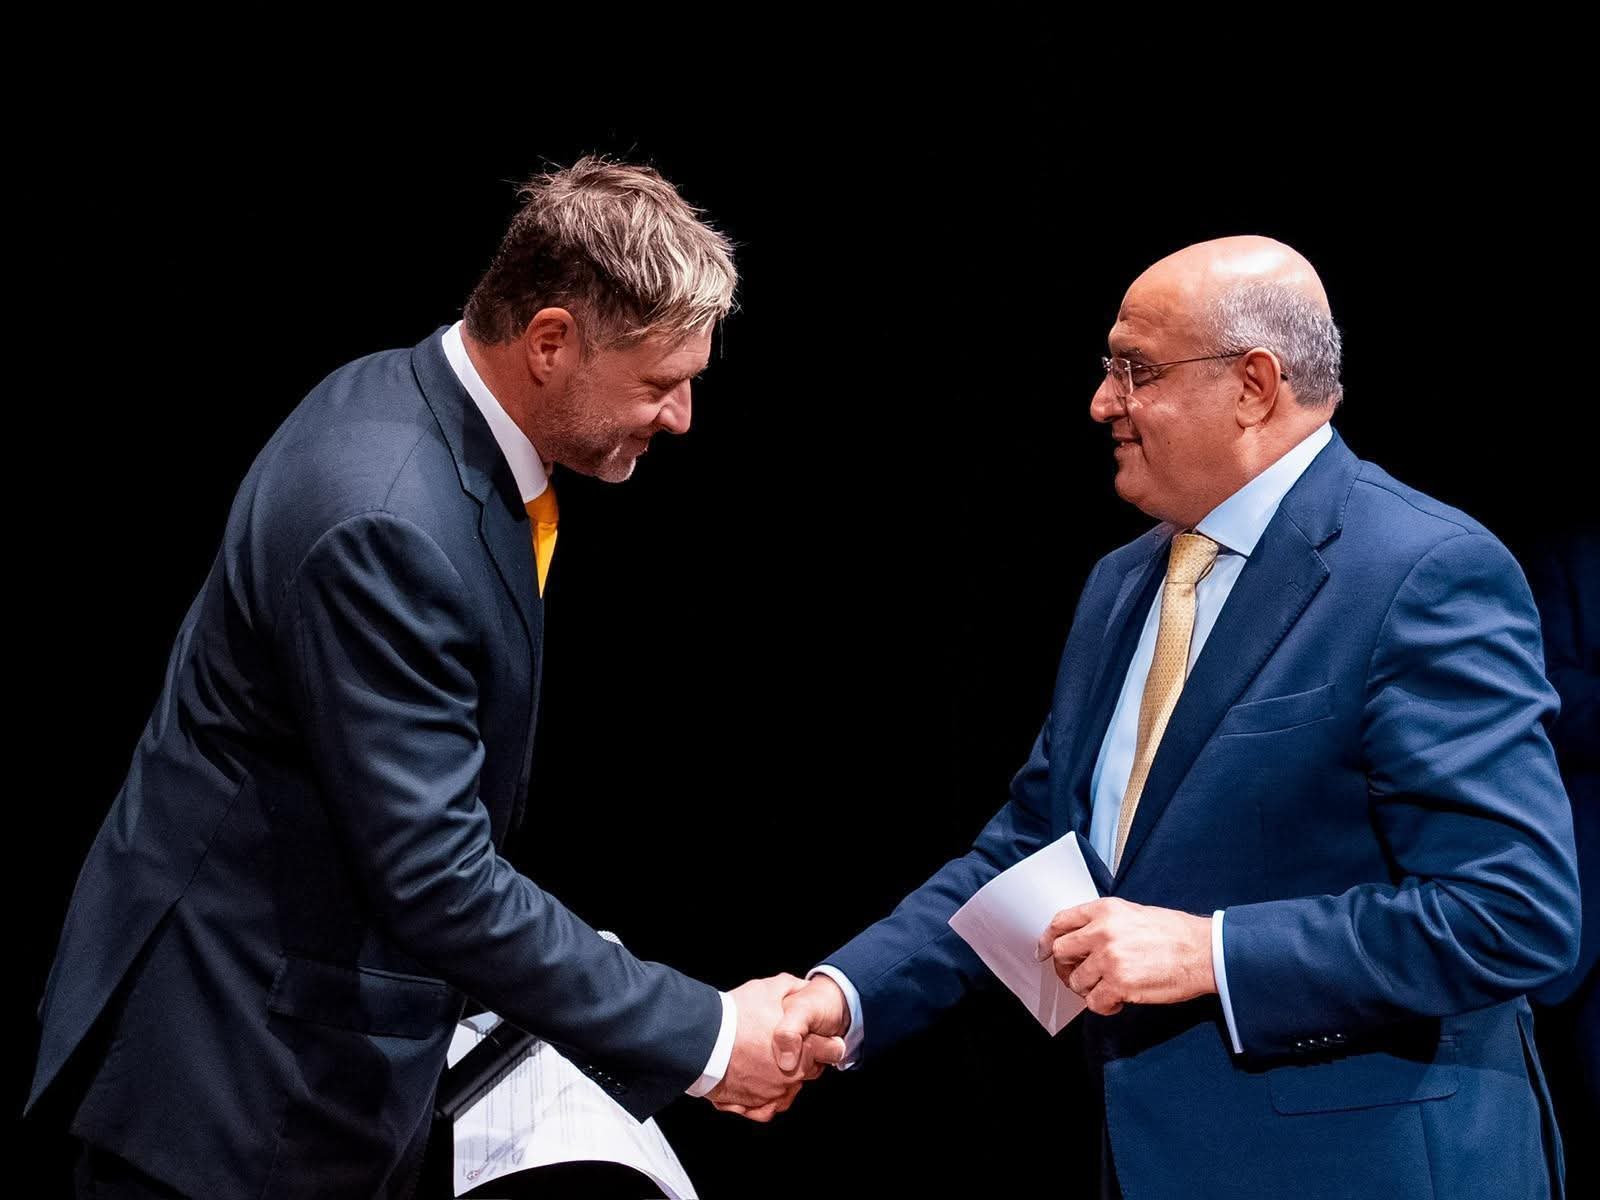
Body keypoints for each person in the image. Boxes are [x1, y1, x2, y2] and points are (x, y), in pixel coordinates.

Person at [27, 157, 839, 1199]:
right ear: (549, 342)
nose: (680, 416)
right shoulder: (387, 519)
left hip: (292, 1037)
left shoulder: (417, 402)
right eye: (657, 384)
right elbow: (438, 877)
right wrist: (711, 1034)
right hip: (232, 1086)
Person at [775, 236, 1581, 1198]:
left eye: (1136, 370)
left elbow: (1511, 912)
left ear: (1253, 386)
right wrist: (844, 995)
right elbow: (1035, 851)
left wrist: (1212, 951)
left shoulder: (1423, 571)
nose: (1101, 402)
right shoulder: (1123, 583)